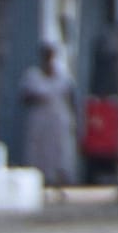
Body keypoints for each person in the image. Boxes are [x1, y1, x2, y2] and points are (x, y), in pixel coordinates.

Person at [20, 42, 78, 189]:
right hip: (40, 118)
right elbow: (24, 98)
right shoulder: (33, 75)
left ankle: (60, 183)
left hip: (58, 118)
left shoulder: (62, 76)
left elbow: (71, 98)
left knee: (59, 151)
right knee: (38, 151)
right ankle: (39, 182)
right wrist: (36, 97)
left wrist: (75, 120)